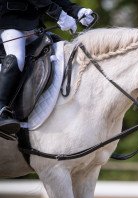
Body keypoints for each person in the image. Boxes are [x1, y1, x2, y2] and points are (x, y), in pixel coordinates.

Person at [0, 0, 94, 136]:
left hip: (32, 26)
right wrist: (60, 14)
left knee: (62, 52)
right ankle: (1, 108)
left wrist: (77, 11)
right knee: (16, 57)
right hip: (8, 23)